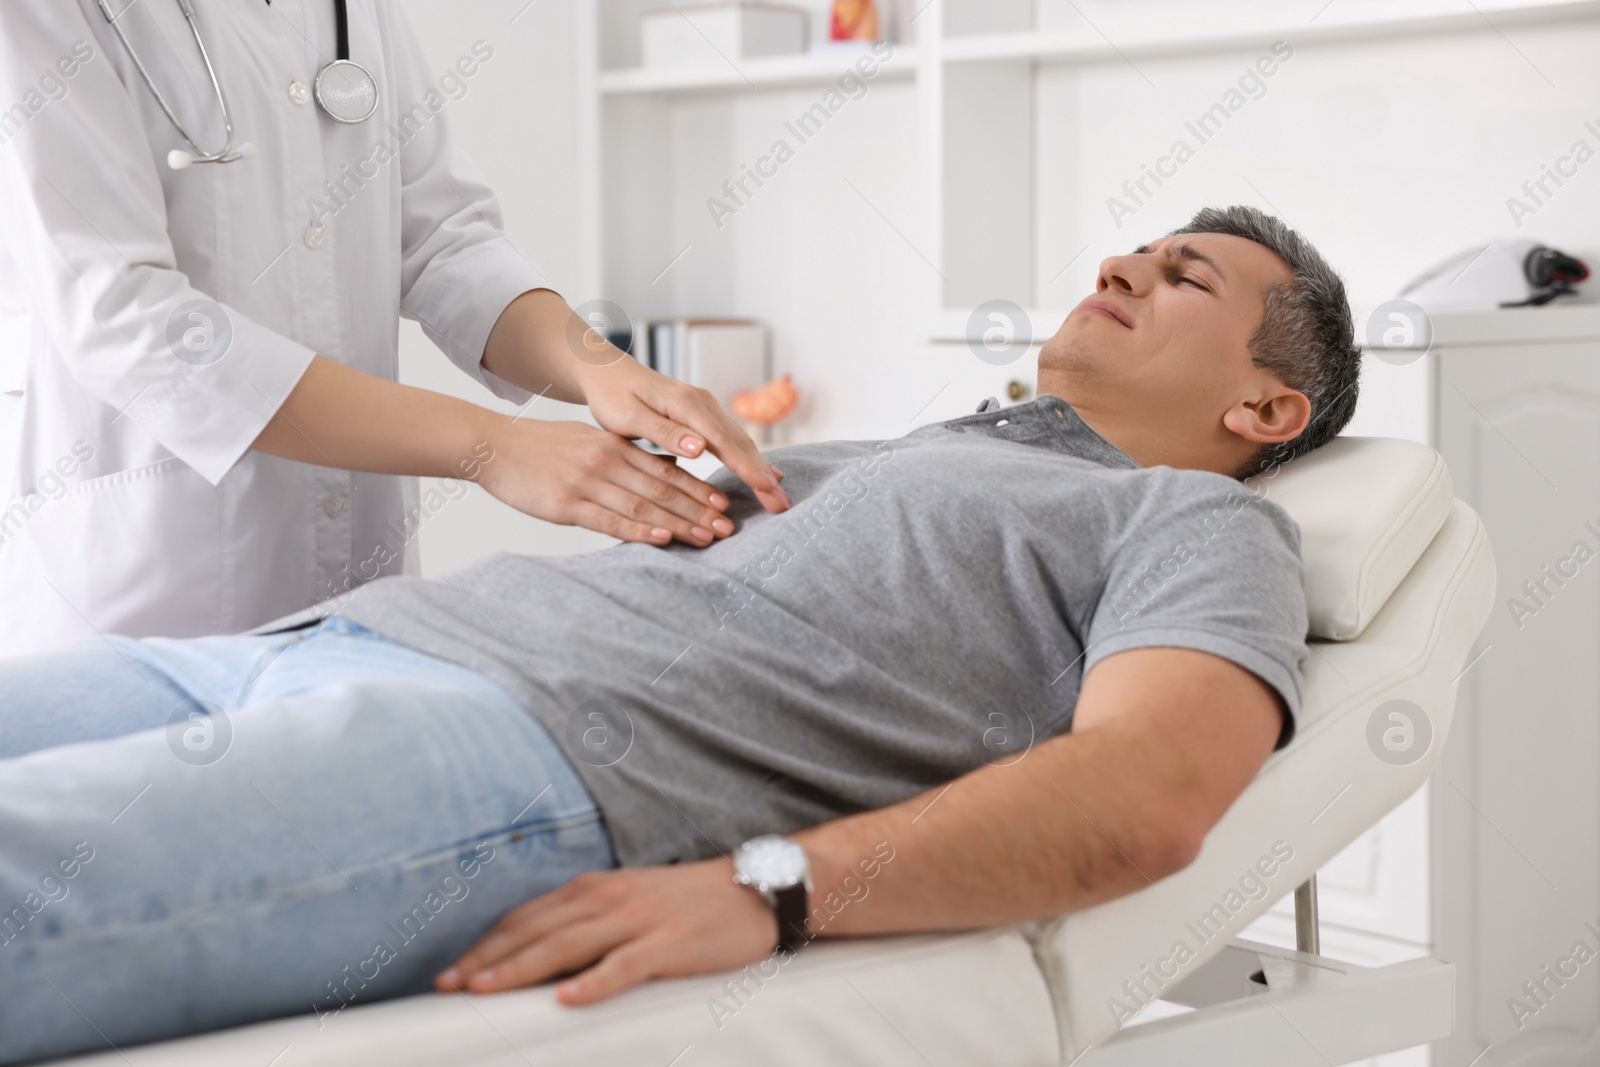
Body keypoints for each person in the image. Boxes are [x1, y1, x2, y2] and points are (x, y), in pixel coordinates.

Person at [0, 206, 1362, 1064]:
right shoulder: (910, 448)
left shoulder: (1194, 523)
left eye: (1184, 275)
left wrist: (769, 884)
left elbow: (1148, 794)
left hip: (529, 753)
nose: (1122, 259)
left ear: (1265, 409)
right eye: (1142, 244)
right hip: (332, 639)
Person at [0, 1, 787, 658]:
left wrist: (600, 369)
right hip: (147, 602)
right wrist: (492, 447)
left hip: (362, 604)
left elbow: (443, 238)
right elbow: (129, 321)